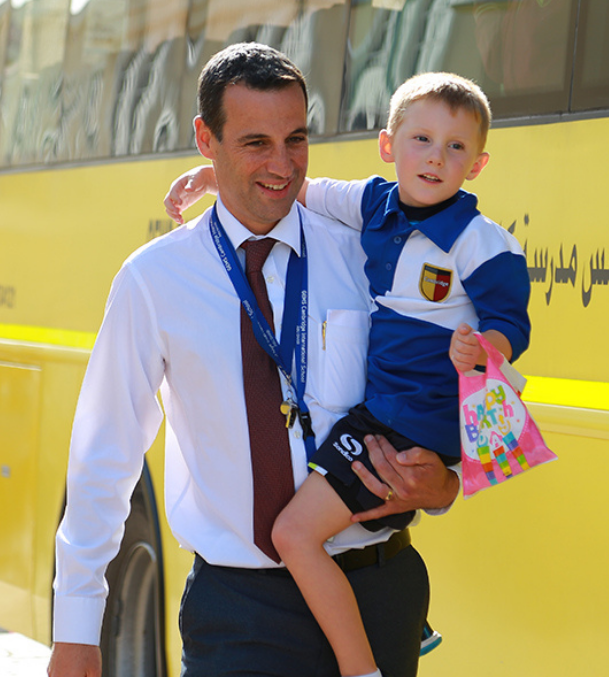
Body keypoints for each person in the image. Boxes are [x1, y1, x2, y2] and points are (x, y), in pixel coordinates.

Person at [48, 44, 460, 677]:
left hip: (376, 596)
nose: (282, 166)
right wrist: (77, 627)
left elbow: (458, 371)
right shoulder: (153, 280)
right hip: (240, 610)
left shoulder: (368, 255)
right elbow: (105, 453)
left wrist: (449, 485)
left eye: (296, 140)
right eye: (255, 143)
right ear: (204, 139)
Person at [163, 70, 531, 677]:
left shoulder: (481, 242)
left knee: (294, 536)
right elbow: (300, 190)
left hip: (411, 422)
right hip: (384, 414)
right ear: (388, 147)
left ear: (479, 164)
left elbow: (510, 325)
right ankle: (405, 626)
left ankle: (362, 669)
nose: (435, 158)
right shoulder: (373, 204)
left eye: (455, 147)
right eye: (421, 141)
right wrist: (216, 176)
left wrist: (483, 348)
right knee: (326, 524)